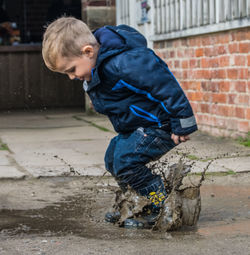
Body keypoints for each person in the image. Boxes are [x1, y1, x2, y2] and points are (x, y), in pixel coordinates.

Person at [42, 17, 198, 228]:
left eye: (71, 70)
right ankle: (135, 201)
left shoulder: (124, 62)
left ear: (88, 52)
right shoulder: (98, 65)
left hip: (161, 125)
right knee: (112, 160)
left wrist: (182, 122)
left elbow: (165, 85)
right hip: (136, 127)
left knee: (126, 162)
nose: (71, 77)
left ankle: (161, 205)